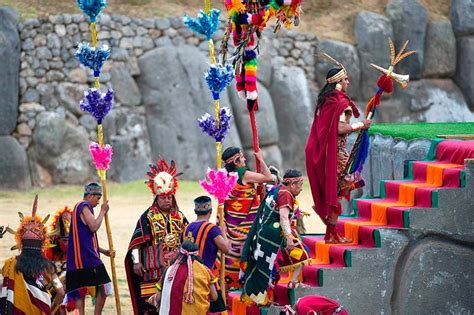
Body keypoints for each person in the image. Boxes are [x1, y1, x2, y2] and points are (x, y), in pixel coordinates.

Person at [305, 61, 371, 244]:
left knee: (336, 191)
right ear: (338, 82)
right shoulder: (341, 103)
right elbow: (339, 128)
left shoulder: (326, 101)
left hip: (322, 151)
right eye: (346, 79)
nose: (348, 82)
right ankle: (331, 232)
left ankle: (331, 232)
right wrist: (361, 125)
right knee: (338, 190)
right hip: (334, 153)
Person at [125, 159, 189, 315]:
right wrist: (136, 261)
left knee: (173, 301)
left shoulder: (180, 216)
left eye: (169, 197)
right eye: (163, 197)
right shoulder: (147, 217)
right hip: (152, 268)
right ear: (156, 198)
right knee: (152, 305)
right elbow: (136, 242)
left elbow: (188, 239)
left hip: (175, 266)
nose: (167, 200)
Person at [241, 170, 310, 306]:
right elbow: (283, 217)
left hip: (267, 235)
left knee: (267, 266)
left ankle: (291, 283)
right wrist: (289, 237)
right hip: (271, 238)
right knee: (266, 267)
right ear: (291, 184)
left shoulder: (278, 189)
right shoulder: (285, 194)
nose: (301, 188)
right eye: (299, 184)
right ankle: (261, 298)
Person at [0, 195, 65, 314]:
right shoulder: (48, 267)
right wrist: (52, 308)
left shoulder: (10, 264)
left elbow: (2, 287)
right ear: (43, 244)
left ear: (20, 243)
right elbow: (60, 292)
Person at [221, 147, 274, 289]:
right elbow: (269, 178)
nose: (244, 159)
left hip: (232, 227)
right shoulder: (242, 174)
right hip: (246, 227)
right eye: (242, 157)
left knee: (232, 260)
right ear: (237, 162)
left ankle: (230, 288)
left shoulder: (225, 177)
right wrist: (261, 159)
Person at [65, 183, 114, 314]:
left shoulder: (76, 208)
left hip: (76, 259)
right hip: (87, 259)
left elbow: (83, 239)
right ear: (90, 195)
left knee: (80, 289)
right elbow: (93, 226)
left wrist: (103, 251)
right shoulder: (84, 206)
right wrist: (103, 211)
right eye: (98, 199)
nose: (98, 203)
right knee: (103, 287)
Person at [182, 196, 232, 313]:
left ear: (196, 211)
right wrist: (223, 232)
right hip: (205, 277)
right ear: (210, 212)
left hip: (186, 276)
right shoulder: (212, 229)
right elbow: (226, 249)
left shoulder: (187, 228)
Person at [147, 241, 218, 314]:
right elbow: (214, 297)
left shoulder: (169, 271)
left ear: (180, 253)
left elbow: (158, 297)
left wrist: (154, 300)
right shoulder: (206, 271)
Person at [45, 206, 72, 314]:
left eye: (69, 219)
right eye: (65, 219)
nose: (67, 222)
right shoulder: (51, 240)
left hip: (69, 274)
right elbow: (46, 264)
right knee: (59, 293)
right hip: (52, 276)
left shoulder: (76, 239)